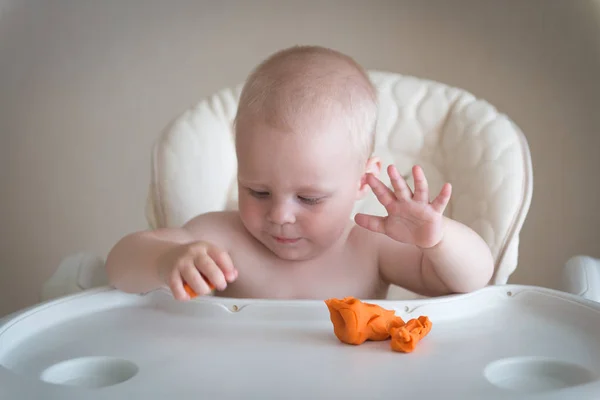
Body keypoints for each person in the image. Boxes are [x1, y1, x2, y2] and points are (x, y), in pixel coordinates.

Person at [105, 45, 494, 301]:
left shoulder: (367, 249)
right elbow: (120, 265)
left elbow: (473, 281)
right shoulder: (222, 240)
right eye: (257, 191)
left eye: (308, 198)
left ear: (362, 180)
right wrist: (166, 260)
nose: (280, 215)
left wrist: (438, 240)